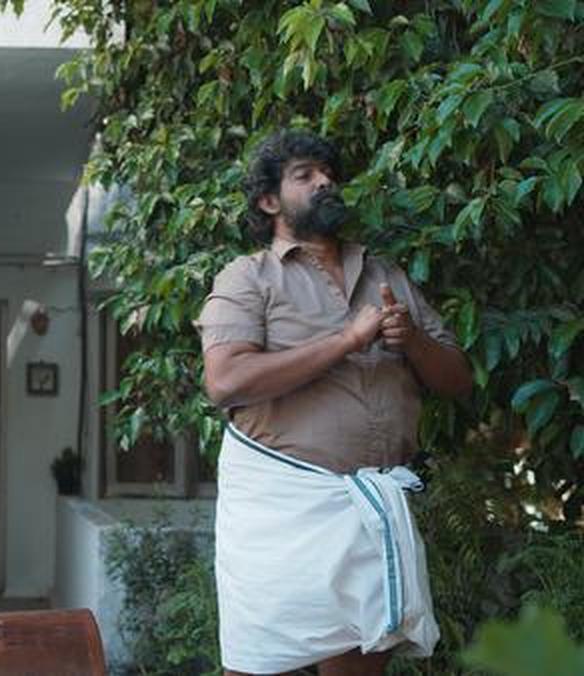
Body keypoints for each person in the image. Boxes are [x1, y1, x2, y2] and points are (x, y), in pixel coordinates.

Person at [194, 130, 472, 676]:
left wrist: (412, 341)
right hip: (279, 511)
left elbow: (458, 380)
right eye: (305, 175)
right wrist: (347, 340)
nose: (324, 181)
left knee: (360, 664)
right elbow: (225, 381)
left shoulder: (386, 275)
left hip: (369, 507)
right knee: (256, 667)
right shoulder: (248, 277)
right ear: (269, 201)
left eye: (328, 173)